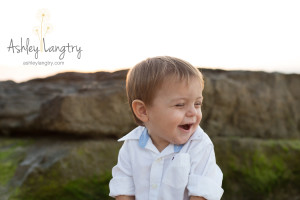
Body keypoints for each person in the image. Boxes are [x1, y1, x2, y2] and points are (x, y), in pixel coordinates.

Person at [109, 56, 224, 200]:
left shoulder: (199, 145)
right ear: (143, 111)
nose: (193, 112)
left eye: (197, 104)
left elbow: (202, 193)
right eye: (180, 105)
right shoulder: (131, 145)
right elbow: (124, 192)